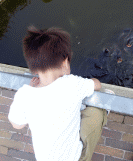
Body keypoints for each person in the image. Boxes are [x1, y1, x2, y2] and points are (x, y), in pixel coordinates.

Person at [8, 25, 107, 161]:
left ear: (33, 68)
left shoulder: (24, 94)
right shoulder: (71, 84)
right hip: (74, 158)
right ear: (65, 62)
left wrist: (30, 88)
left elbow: (17, 124)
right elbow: (97, 85)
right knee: (100, 104)